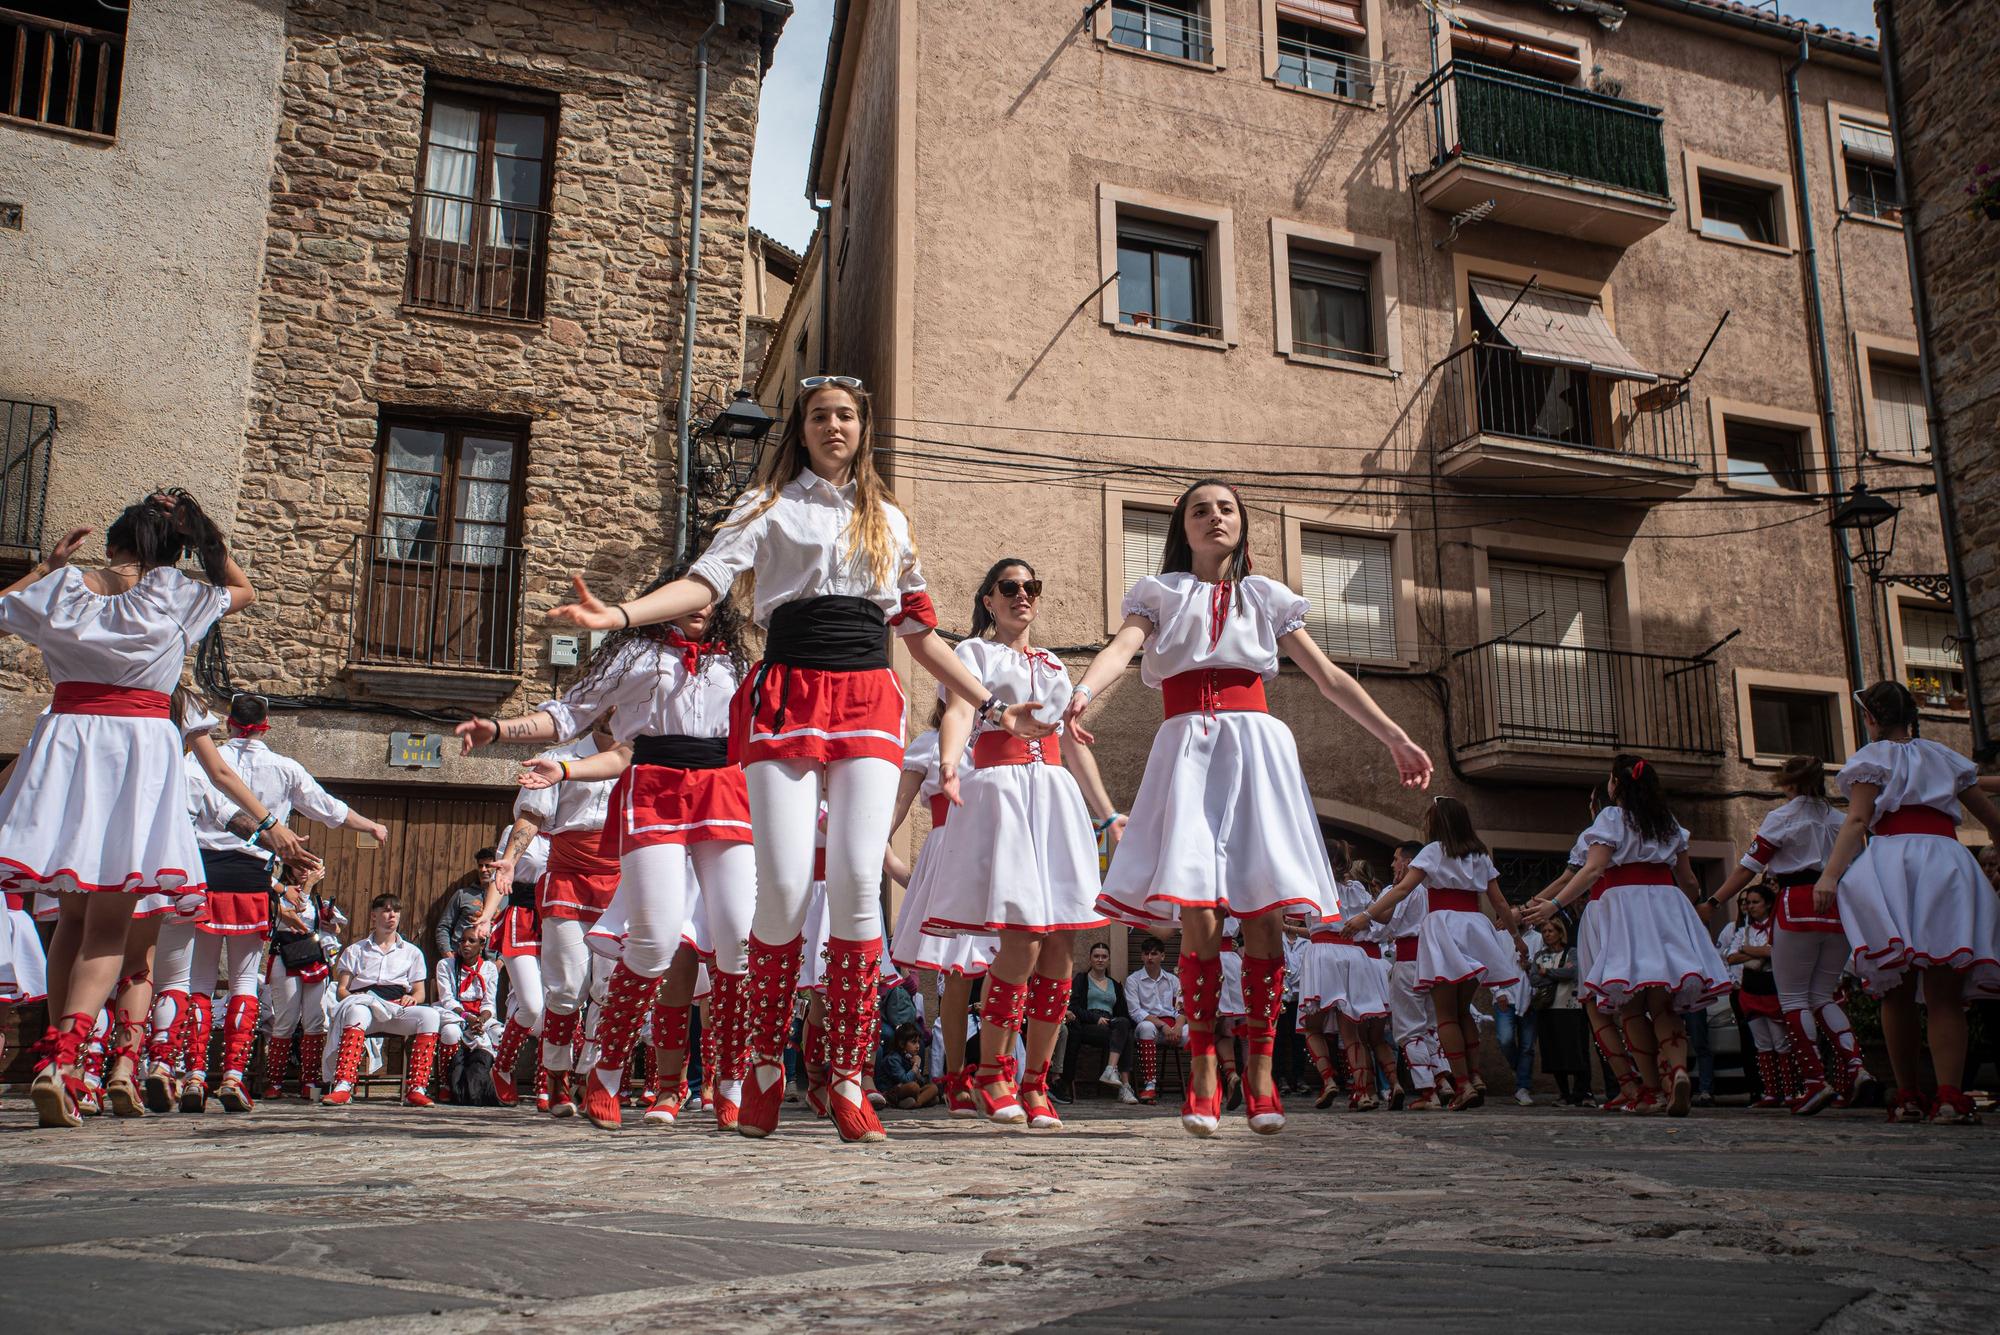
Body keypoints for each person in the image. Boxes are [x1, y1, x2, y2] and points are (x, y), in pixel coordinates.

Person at [548, 376, 1051, 1143]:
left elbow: (920, 636)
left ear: (863, 427)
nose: (833, 425)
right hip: (785, 693)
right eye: (819, 416)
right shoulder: (766, 505)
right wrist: (619, 613)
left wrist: (987, 706)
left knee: (854, 877)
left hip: (867, 698)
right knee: (781, 890)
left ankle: (848, 1076)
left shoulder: (889, 520)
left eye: (846, 415)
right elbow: (703, 581)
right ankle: (760, 1066)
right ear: (803, 429)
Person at [1067, 478, 1432, 1138]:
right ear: (1184, 526)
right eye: (1200, 510)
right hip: (1186, 750)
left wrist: (1395, 735)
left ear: (1242, 524)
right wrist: (1082, 692)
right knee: (1199, 916)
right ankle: (1205, 1068)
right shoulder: (1161, 593)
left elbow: (1328, 677)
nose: (1214, 518)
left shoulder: (1265, 597)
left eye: (1226, 508)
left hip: (1255, 749)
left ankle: (1260, 1072)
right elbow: (1122, 647)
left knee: (1263, 914)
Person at [0, 493, 256, 1129]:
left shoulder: (64, 586)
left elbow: (1, 610)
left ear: (110, 542)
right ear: (173, 551)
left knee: (70, 916)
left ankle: (56, 1059)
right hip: (135, 747)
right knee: (111, 921)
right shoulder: (177, 594)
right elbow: (241, 590)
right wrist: (208, 535)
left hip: (67, 740)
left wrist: (45, 565)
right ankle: (68, 1059)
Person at [473, 565, 758, 1134]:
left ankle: (731, 1083)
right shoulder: (634, 658)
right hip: (654, 788)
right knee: (652, 940)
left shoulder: (740, 663)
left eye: (710, 596)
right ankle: (605, 1071)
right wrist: (505, 733)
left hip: (725, 790)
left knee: (738, 941)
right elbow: (567, 712)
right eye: (687, 595)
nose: (699, 605)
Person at [920, 558, 1123, 1131]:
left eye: (1030, 586)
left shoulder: (1056, 665)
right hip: (1004, 797)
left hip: (1054, 799)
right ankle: (992, 1074)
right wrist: (948, 761)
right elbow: (959, 710)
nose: (1021, 595)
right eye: (1009, 588)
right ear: (988, 600)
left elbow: (1073, 745)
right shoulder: (974, 655)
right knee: (1023, 939)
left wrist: (1108, 816)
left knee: (1062, 946)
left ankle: (1036, 1081)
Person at [166, 693, 383, 1114]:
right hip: (252, 877)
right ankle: (232, 1076)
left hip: (205, 872)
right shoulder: (285, 768)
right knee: (247, 980)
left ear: (228, 723)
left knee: (199, 982)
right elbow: (330, 809)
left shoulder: (198, 761)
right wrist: (371, 825)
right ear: (266, 725)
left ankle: (192, 1074)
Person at [1816, 680, 2000, 1124]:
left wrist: (1830, 875)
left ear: (1870, 717)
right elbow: (1992, 818)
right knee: (1944, 992)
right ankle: (1951, 1096)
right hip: (1946, 863)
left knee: (1895, 991)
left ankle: (1909, 1095)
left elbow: (1858, 818)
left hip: (1894, 862)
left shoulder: (1871, 758)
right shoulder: (1944, 756)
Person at [1525, 755, 1731, 1118]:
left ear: (1615, 785)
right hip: (1665, 907)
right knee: (1663, 1000)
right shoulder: (1667, 823)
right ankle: (1679, 1070)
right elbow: (1689, 881)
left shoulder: (1610, 818)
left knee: (1632, 1005)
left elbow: (1593, 870)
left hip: (1621, 908)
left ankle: (1649, 1089)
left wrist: (1554, 904)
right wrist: (1686, 908)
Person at [1701, 754, 1875, 1115]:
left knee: (1793, 997)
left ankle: (1813, 1081)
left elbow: (1747, 868)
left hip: (1797, 904)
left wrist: (1714, 901)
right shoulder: (1841, 820)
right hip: (1838, 906)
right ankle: (1855, 1067)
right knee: (1823, 995)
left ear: (1787, 783)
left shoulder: (1781, 818)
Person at [468, 720, 622, 1118]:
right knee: (568, 985)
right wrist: (510, 862)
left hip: (620, 880)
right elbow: (530, 817)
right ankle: (555, 1075)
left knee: (608, 987)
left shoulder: (640, 760)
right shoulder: (558, 759)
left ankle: (593, 1077)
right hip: (569, 877)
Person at [1345, 798, 1519, 1112]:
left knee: (1446, 1016)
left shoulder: (1434, 851)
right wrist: (1516, 939)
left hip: (1444, 929)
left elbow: (1400, 890)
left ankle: (1462, 1084)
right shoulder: (1479, 854)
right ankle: (1474, 1076)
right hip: (1474, 929)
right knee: (1463, 1010)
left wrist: (1365, 916)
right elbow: (1501, 903)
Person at [884, 720, 992, 1116]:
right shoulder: (927, 744)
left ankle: (998, 1074)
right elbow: (889, 818)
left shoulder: (998, 738)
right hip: (951, 857)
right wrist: (904, 876)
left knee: (1009, 963)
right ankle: (958, 1077)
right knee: (958, 973)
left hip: (997, 851)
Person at [319, 894, 442, 1108]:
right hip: (365, 1006)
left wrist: (412, 998)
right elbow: (341, 990)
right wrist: (356, 1000)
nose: (391, 915)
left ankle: (417, 1088)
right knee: (356, 1013)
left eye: (396, 910)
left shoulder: (412, 952)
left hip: (396, 1007)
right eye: (385, 910)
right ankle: (343, 1085)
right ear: (374, 916)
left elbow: (420, 992)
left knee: (430, 1015)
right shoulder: (356, 950)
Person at [1299, 841, 1396, 1111]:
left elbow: (1290, 911)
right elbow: (1384, 917)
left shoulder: (1309, 884)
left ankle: (1328, 1079)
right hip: (1354, 955)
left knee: (1312, 1026)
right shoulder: (1356, 888)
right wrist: (1398, 893)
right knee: (1351, 1030)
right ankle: (1364, 1092)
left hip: (1322, 953)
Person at [261, 860, 346, 1101]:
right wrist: (307, 886)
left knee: (315, 1019)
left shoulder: (320, 902)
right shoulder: (280, 896)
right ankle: (275, 1081)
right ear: (289, 869)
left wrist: (332, 926)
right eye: (300, 866)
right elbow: (292, 912)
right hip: (286, 957)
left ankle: (309, 1079)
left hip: (313, 959)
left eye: (309, 867)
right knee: (286, 1019)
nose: (305, 872)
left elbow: (332, 930)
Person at [1380, 839, 1446, 1111]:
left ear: (1408, 861)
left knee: (1409, 1029)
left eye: (1396, 858)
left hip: (1409, 961)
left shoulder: (1407, 889)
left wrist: (1367, 914)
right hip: (1432, 962)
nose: (1393, 864)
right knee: (1430, 1025)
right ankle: (1444, 1082)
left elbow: (1388, 922)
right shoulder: (1432, 887)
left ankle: (1427, 1091)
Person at [1727, 883, 1796, 1109]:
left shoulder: (1776, 928)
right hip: (1751, 990)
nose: (1751, 907)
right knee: (1762, 1043)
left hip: (1772, 989)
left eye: (1755, 902)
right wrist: (1757, 953)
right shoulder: (1743, 931)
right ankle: (1770, 1092)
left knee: (1781, 1041)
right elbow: (1731, 958)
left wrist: (1748, 951)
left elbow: (1774, 952)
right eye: (1748, 903)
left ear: (1767, 903)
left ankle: (1790, 1091)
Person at [434, 927, 501, 1103]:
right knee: (450, 1032)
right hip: (455, 1015)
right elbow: (447, 999)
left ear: (482, 945)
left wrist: (480, 1020)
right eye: (462, 941)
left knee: (501, 1034)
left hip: (480, 1017)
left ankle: (499, 1084)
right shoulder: (446, 965)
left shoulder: (489, 968)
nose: (465, 945)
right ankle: (445, 1084)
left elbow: (489, 1002)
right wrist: (468, 1018)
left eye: (471, 941)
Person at [1530, 915, 1592, 1106]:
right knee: (1554, 1050)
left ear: (1559, 933)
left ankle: (1581, 1092)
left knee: (1576, 1049)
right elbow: (1534, 979)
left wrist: (1547, 972)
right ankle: (1564, 1093)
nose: (1547, 935)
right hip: (1549, 1009)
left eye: (1550, 931)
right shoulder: (1541, 956)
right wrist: (1557, 975)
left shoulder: (1571, 953)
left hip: (1571, 1007)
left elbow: (1573, 973)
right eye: (1544, 932)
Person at [1063, 941, 1135, 1103]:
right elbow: (1073, 1007)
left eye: (1104, 957)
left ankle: (1111, 1071)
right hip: (1089, 1025)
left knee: (1125, 1027)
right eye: (1096, 956)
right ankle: (1125, 1087)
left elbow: (1123, 1013)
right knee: (1125, 1036)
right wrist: (1095, 1018)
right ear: (1090, 959)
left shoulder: (1115, 985)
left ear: (1109, 960)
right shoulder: (1082, 980)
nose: (1100, 960)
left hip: (1112, 1025)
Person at [1124, 937, 1182, 1105]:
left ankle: (1200, 1083)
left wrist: (1178, 1027)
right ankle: (1150, 1085)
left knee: (1195, 1033)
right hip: (1151, 1029)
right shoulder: (1133, 980)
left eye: (1154, 954)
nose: (1150, 958)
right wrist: (1163, 1026)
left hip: (1173, 1027)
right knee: (1146, 1027)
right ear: (1141, 956)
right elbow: (1135, 1012)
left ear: (1162, 956)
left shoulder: (1173, 980)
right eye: (1146, 954)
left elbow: (1181, 1007)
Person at [875, 1021, 938, 1109]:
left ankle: (915, 1103)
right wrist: (916, 1065)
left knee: (933, 1088)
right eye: (913, 1042)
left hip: (907, 1090)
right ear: (901, 1044)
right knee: (914, 1087)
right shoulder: (893, 1059)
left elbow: (921, 1083)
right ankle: (913, 1101)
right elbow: (906, 1080)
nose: (918, 1046)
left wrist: (919, 1075)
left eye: (918, 1042)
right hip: (892, 1091)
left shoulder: (910, 1057)